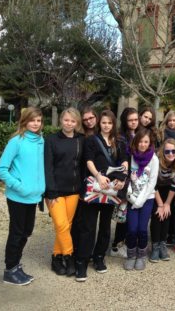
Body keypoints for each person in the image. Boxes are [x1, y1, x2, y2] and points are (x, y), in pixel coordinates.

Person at [75, 110, 128, 282]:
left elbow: (124, 161)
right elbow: (88, 160)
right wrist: (98, 175)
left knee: (105, 227)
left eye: (109, 123)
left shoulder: (119, 141)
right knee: (88, 226)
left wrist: (121, 178)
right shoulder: (91, 139)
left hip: (111, 189)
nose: (106, 126)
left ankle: (99, 257)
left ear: (113, 124)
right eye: (104, 123)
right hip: (95, 188)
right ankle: (82, 261)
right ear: (100, 123)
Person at [0, 107, 45, 286]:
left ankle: (16, 266)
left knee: (26, 232)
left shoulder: (41, 141)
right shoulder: (16, 141)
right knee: (16, 233)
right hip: (18, 197)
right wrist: (19, 186)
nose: (35, 123)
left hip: (34, 197)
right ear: (24, 121)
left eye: (39, 120)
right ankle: (10, 270)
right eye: (32, 120)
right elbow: (1, 169)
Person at [44, 108, 85, 277]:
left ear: (77, 123)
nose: (69, 123)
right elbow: (48, 166)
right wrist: (51, 191)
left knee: (65, 227)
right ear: (61, 120)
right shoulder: (51, 140)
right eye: (66, 120)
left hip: (74, 191)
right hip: (55, 192)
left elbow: (83, 165)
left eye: (73, 121)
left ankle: (55, 258)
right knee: (61, 225)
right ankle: (69, 257)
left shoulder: (81, 140)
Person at [124, 129, 159, 271]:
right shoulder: (130, 156)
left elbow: (152, 183)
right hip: (131, 198)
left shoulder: (154, 159)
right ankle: (131, 255)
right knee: (132, 229)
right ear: (136, 141)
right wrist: (131, 197)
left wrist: (140, 200)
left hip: (147, 199)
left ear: (150, 143)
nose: (143, 144)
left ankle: (141, 255)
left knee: (142, 229)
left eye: (146, 142)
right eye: (140, 141)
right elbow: (125, 178)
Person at [149, 139, 175, 263]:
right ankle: (155, 246)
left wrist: (167, 204)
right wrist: (160, 204)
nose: (171, 154)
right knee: (157, 214)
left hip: (169, 188)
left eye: (173, 151)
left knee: (167, 214)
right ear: (162, 152)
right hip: (154, 189)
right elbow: (152, 184)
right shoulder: (155, 160)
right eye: (167, 151)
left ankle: (162, 244)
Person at [110, 107, 139, 259]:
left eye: (135, 119)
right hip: (125, 178)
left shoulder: (140, 134)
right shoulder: (121, 137)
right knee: (122, 211)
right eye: (130, 120)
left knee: (131, 212)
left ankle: (127, 242)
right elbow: (121, 159)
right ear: (124, 121)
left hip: (137, 179)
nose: (133, 122)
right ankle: (117, 244)